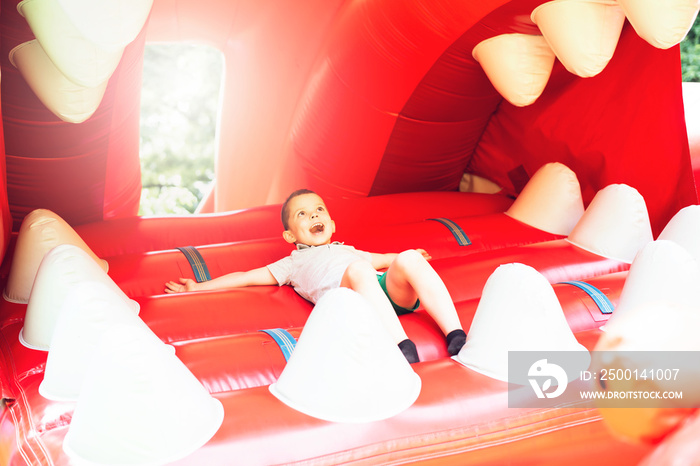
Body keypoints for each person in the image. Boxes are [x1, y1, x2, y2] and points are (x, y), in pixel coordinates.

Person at [165, 189, 466, 363]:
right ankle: (402, 346)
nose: (313, 217)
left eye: (319, 211)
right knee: (360, 270)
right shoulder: (293, 263)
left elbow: (382, 260)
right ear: (289, 234)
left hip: (382, 292)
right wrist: (199, 286)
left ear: (332, 224)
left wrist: (408, 258)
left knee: (407, 258)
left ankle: (456, 334)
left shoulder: (347, 250)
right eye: (303, 215)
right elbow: (246, 277)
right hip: (351, 301)